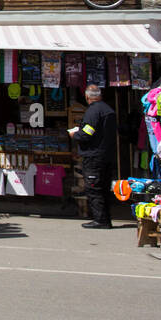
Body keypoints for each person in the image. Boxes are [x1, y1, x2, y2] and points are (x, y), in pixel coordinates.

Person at [70, 84, 116, 229]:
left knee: (94, 187)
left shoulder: (93, 111)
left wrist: (75, 134)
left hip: (94, 155)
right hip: (106, 154)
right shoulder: (108, 110)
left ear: (87, 97)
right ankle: (105, 218)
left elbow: (87, 133)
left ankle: (100, 220)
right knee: (103, 187)